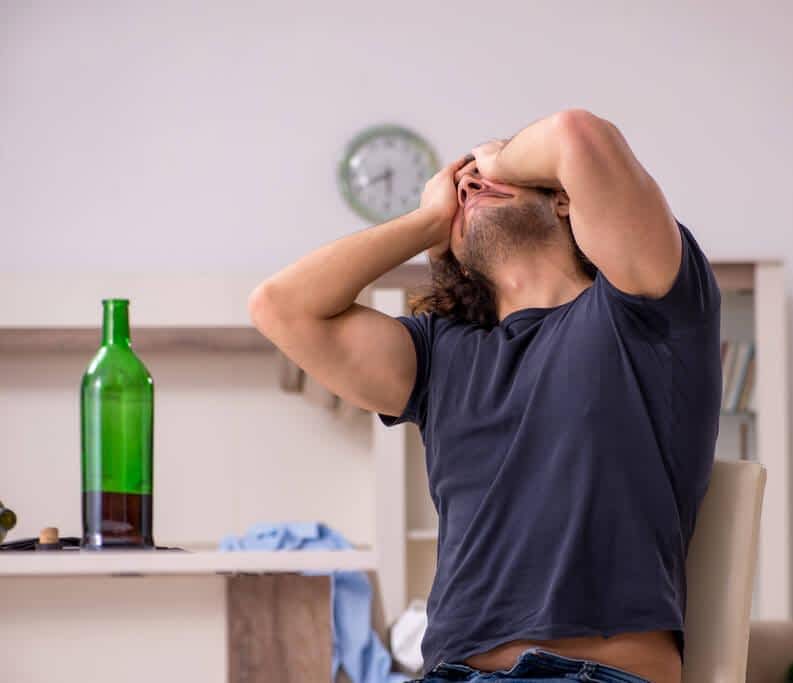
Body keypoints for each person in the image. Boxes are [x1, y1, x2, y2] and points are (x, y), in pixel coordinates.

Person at [249, 109, 722, 683]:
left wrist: (491, 155)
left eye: (489, 174)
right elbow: (280, 307)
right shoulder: (438, 356)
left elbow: (578, 135)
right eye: (461, 183)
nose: (468, 182)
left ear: (564, 199)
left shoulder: (643, 311)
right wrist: (427, 220)